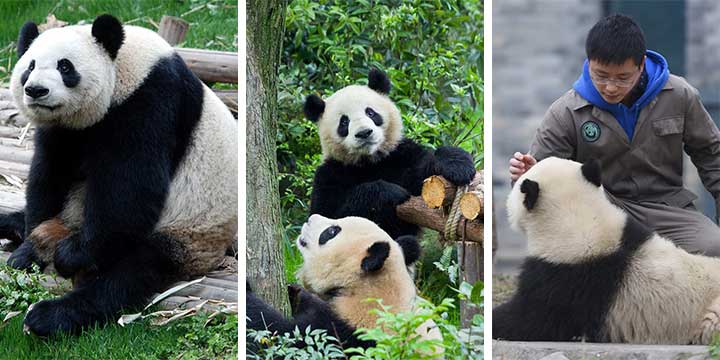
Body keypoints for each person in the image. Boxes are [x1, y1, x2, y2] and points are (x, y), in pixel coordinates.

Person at [509, 14, 720, 256]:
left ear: (640, 65)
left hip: (667, 208)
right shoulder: (566, 112)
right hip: (599, 212)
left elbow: (712, 156)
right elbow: (537, 181)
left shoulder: (680, 95)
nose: (610, 87)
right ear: (589, 63)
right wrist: (525, 176)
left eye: (622, 78)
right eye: (601, 76)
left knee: (714, 250)